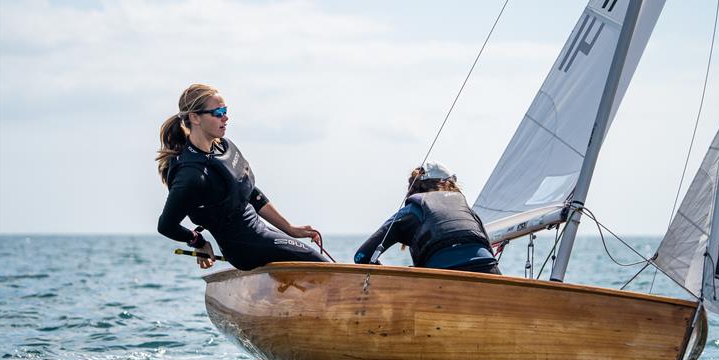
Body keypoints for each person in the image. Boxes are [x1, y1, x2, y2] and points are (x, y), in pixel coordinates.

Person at [156, 83, 328, 270]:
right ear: (195, 117)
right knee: (317, 263)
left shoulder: (222, 147)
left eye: (225, 110)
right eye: (218, 112)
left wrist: (290, 228)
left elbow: (250, 192)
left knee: (315, 261)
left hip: (261, 232)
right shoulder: (192, 175)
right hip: (244, 249)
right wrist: (199, 242)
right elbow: (166, 226)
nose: (226, 117)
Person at [354, 162, 501, 274]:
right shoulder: (467, 210)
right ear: (447, 184)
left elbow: (361, 256)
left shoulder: (411, 211)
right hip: (491, 274)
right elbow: (490, 252)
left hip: (441, 282)